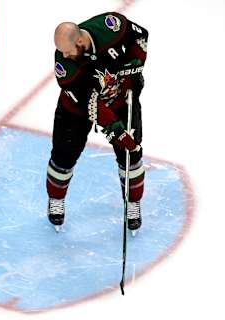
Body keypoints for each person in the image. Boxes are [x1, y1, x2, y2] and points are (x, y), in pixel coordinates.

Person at [46, 12, 148, 233]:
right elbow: (91, 105)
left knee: (131, 156)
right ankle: (56, 201)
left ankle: (133, 202)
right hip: (76, 110)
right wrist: (118, 133)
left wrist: (135, 64)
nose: (62, 54)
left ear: (81, 41)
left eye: (68, 49)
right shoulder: (65, 64)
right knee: (63, 157)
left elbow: (139, 36)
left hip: (122, 100)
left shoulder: (110, 27)